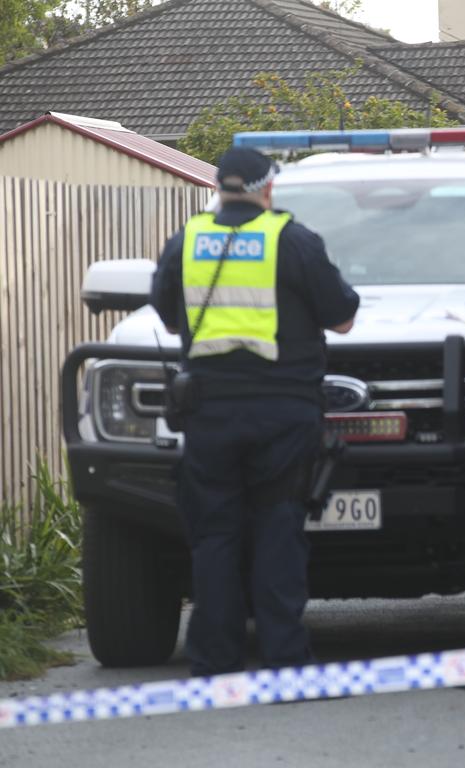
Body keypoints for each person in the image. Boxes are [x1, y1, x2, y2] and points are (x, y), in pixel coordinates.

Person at [150, 147, 360, 676]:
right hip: (282, 412)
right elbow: (342, 320)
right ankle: (286, 658)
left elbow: (171, 321)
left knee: (215, 535)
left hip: (210, 413)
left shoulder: (187, 240)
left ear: (221, 187)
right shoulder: (292, 239)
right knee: (277, 529)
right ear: (269, 188)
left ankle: (212, 659)